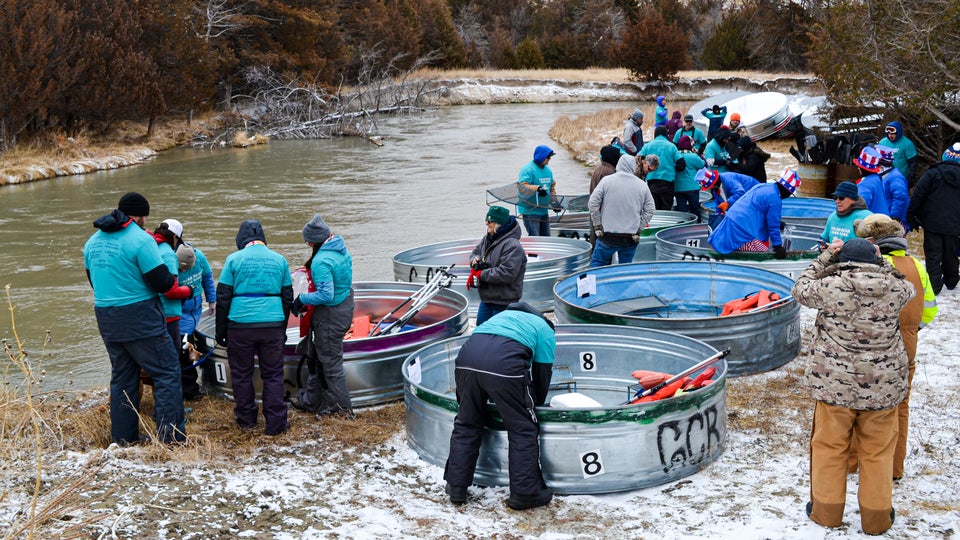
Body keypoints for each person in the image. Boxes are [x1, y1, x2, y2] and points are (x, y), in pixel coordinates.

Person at [792, 237, 914, 536]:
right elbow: (902, 279)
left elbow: (800, 287)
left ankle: (826, 513)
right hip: (883, 389)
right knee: (878, 453)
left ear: (842, 259)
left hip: (834, 387)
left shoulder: (831, 286)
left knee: (829, 449)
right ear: (875, 259)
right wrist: (880, 260)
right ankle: (877, 519)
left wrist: (825, 257)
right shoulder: (897, 289)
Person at [82, 192, 186, 445]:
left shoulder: (92, 242)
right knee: (167, 373)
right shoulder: (141, 240)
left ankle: (124, 438)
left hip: (106, 315)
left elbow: (94, 281)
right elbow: (162, 283)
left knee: (123, 377)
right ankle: (170, 439)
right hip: (140, 316)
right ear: (139, 216)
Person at [443, 302, 556, 510]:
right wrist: (533, 404)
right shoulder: (545, 329)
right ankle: (525, 492)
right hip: (504, 366)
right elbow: (542, 374)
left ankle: (456, 486)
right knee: (523, 428)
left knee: (467, 423)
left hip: (465, 361)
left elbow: (483, 356)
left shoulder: (500, 318)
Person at [850, 214, 937, 480]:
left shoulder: (870, 264)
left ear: (872, 240)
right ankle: (893, 467)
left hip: (869, 349)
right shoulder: (916, 265)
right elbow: (930, 309)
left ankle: (854, 464)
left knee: (857, 406)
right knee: (899, 407)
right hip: (906, 347)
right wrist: (911, 330)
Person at [216, 220, 293, 436]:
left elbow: (222, 297)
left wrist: (221, 332)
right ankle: (276, 424)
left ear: (241, 240)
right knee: (273, 374)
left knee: (241, 374)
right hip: (272, 325)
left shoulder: (233, 260)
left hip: (240, 325)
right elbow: (287, 297)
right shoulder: (280, 260)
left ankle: (246, 420)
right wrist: (282, 327)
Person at [289, 214, 356, 417]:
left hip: (330, 316)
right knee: (316, 357)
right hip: (344, 306)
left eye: (307, 240)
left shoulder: (321, 261)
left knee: (331, 365)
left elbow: (326, 294)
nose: (306, 243)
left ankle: (342, 409)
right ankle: (312, 400)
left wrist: (302, 299)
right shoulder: (340, 250)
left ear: (314, 240)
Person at [707, 169, 800, 256]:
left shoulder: (764, 186)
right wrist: (778, 246)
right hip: (741, 227)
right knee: (762, 248)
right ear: (787, 192)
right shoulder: (775, 199)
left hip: (731, 218)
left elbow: (758, 209)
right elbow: (773, 226)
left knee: (724, 244)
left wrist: (777, 223)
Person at [907, 142, 960, 294]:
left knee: (933, 254)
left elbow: (918, 195)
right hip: (954, 223)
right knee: (951, 251)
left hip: (932, 222)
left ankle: (935, 285)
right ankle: (951, 280)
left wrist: (912, 216)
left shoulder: (932, 173)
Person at [172, 223, 217, 401]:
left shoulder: (199, 257)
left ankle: (190, 387)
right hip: (179, 313)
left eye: (187, 268)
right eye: (182, 268)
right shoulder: (169, 261)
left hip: (195, 311)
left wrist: (212, 300)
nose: (185, 270)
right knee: (184, 352)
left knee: (191, 348)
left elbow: (207, 277)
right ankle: (189, 391)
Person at [588, 153, 656, 267]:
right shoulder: (642, 185)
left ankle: (596, 284)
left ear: (619, 164)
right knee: (625, 269)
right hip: (630, 237)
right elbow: (650, 209)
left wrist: (597, 225)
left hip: (608, 235)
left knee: (598, 264)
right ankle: (623, 284)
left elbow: (592, 203)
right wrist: (639, 228)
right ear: (633, 166)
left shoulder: (606, 181)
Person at [151, 220, 194, 398]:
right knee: (171, 364)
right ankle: (172, 407)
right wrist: (188, 291)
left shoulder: (150, 248)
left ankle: (160, 403)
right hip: (169, 316)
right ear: (175, 237)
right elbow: (170, 290)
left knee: (157, 364)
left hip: (152, 313)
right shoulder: (168, 254)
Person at [468, 206, 526, 325]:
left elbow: (507, 273)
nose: (486, 223)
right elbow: (475, 252)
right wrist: (475, 259)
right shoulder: (487, 239)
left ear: (498, 224)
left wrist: (481, 274)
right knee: (480, 332)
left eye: (490, 221)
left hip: (504, 301)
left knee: (498, 336)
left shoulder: (513, 246)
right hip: (486, 299)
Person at [517, 145, 562, 237]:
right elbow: (522, 187)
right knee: (535, 238)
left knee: (546, 238)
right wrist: (537, 189)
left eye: (550, 157)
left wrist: (554, 202)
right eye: (548, 157)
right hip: (530, 210)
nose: (549, 159)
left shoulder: (548, 170)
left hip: (543, 210)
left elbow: (551, 187)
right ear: (541, 156)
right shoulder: (527, 169)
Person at [642, 125, 681, 210]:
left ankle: (655, 223)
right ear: (666, 134)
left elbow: (638, 159)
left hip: (652, 181)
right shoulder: (672, 146)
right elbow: (681, 164)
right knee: (666, 209)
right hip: (667, 182)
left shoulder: (647, 146)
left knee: (654, 209)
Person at [877, 149, 910, 231]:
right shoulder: (886, 175)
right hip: (887, 216)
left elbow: (900, 198)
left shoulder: (895, 177)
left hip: (895, 219)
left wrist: (894, 217)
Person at [674, 136, 706, 219]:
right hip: (692, 188)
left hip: (678, 188)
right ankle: (697, 227)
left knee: (681, 212)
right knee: (695, 210)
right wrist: (699, 155)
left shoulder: (675, 156)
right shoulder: (693, 156)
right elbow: (703, 164)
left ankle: (682, 228)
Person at [853, 146, 890, 215]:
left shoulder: (865, 184)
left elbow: (858, 208)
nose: (857, 168)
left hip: (874, 223)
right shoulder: (876, 178)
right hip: (883, 220)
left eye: (858, 166)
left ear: (861, 168)